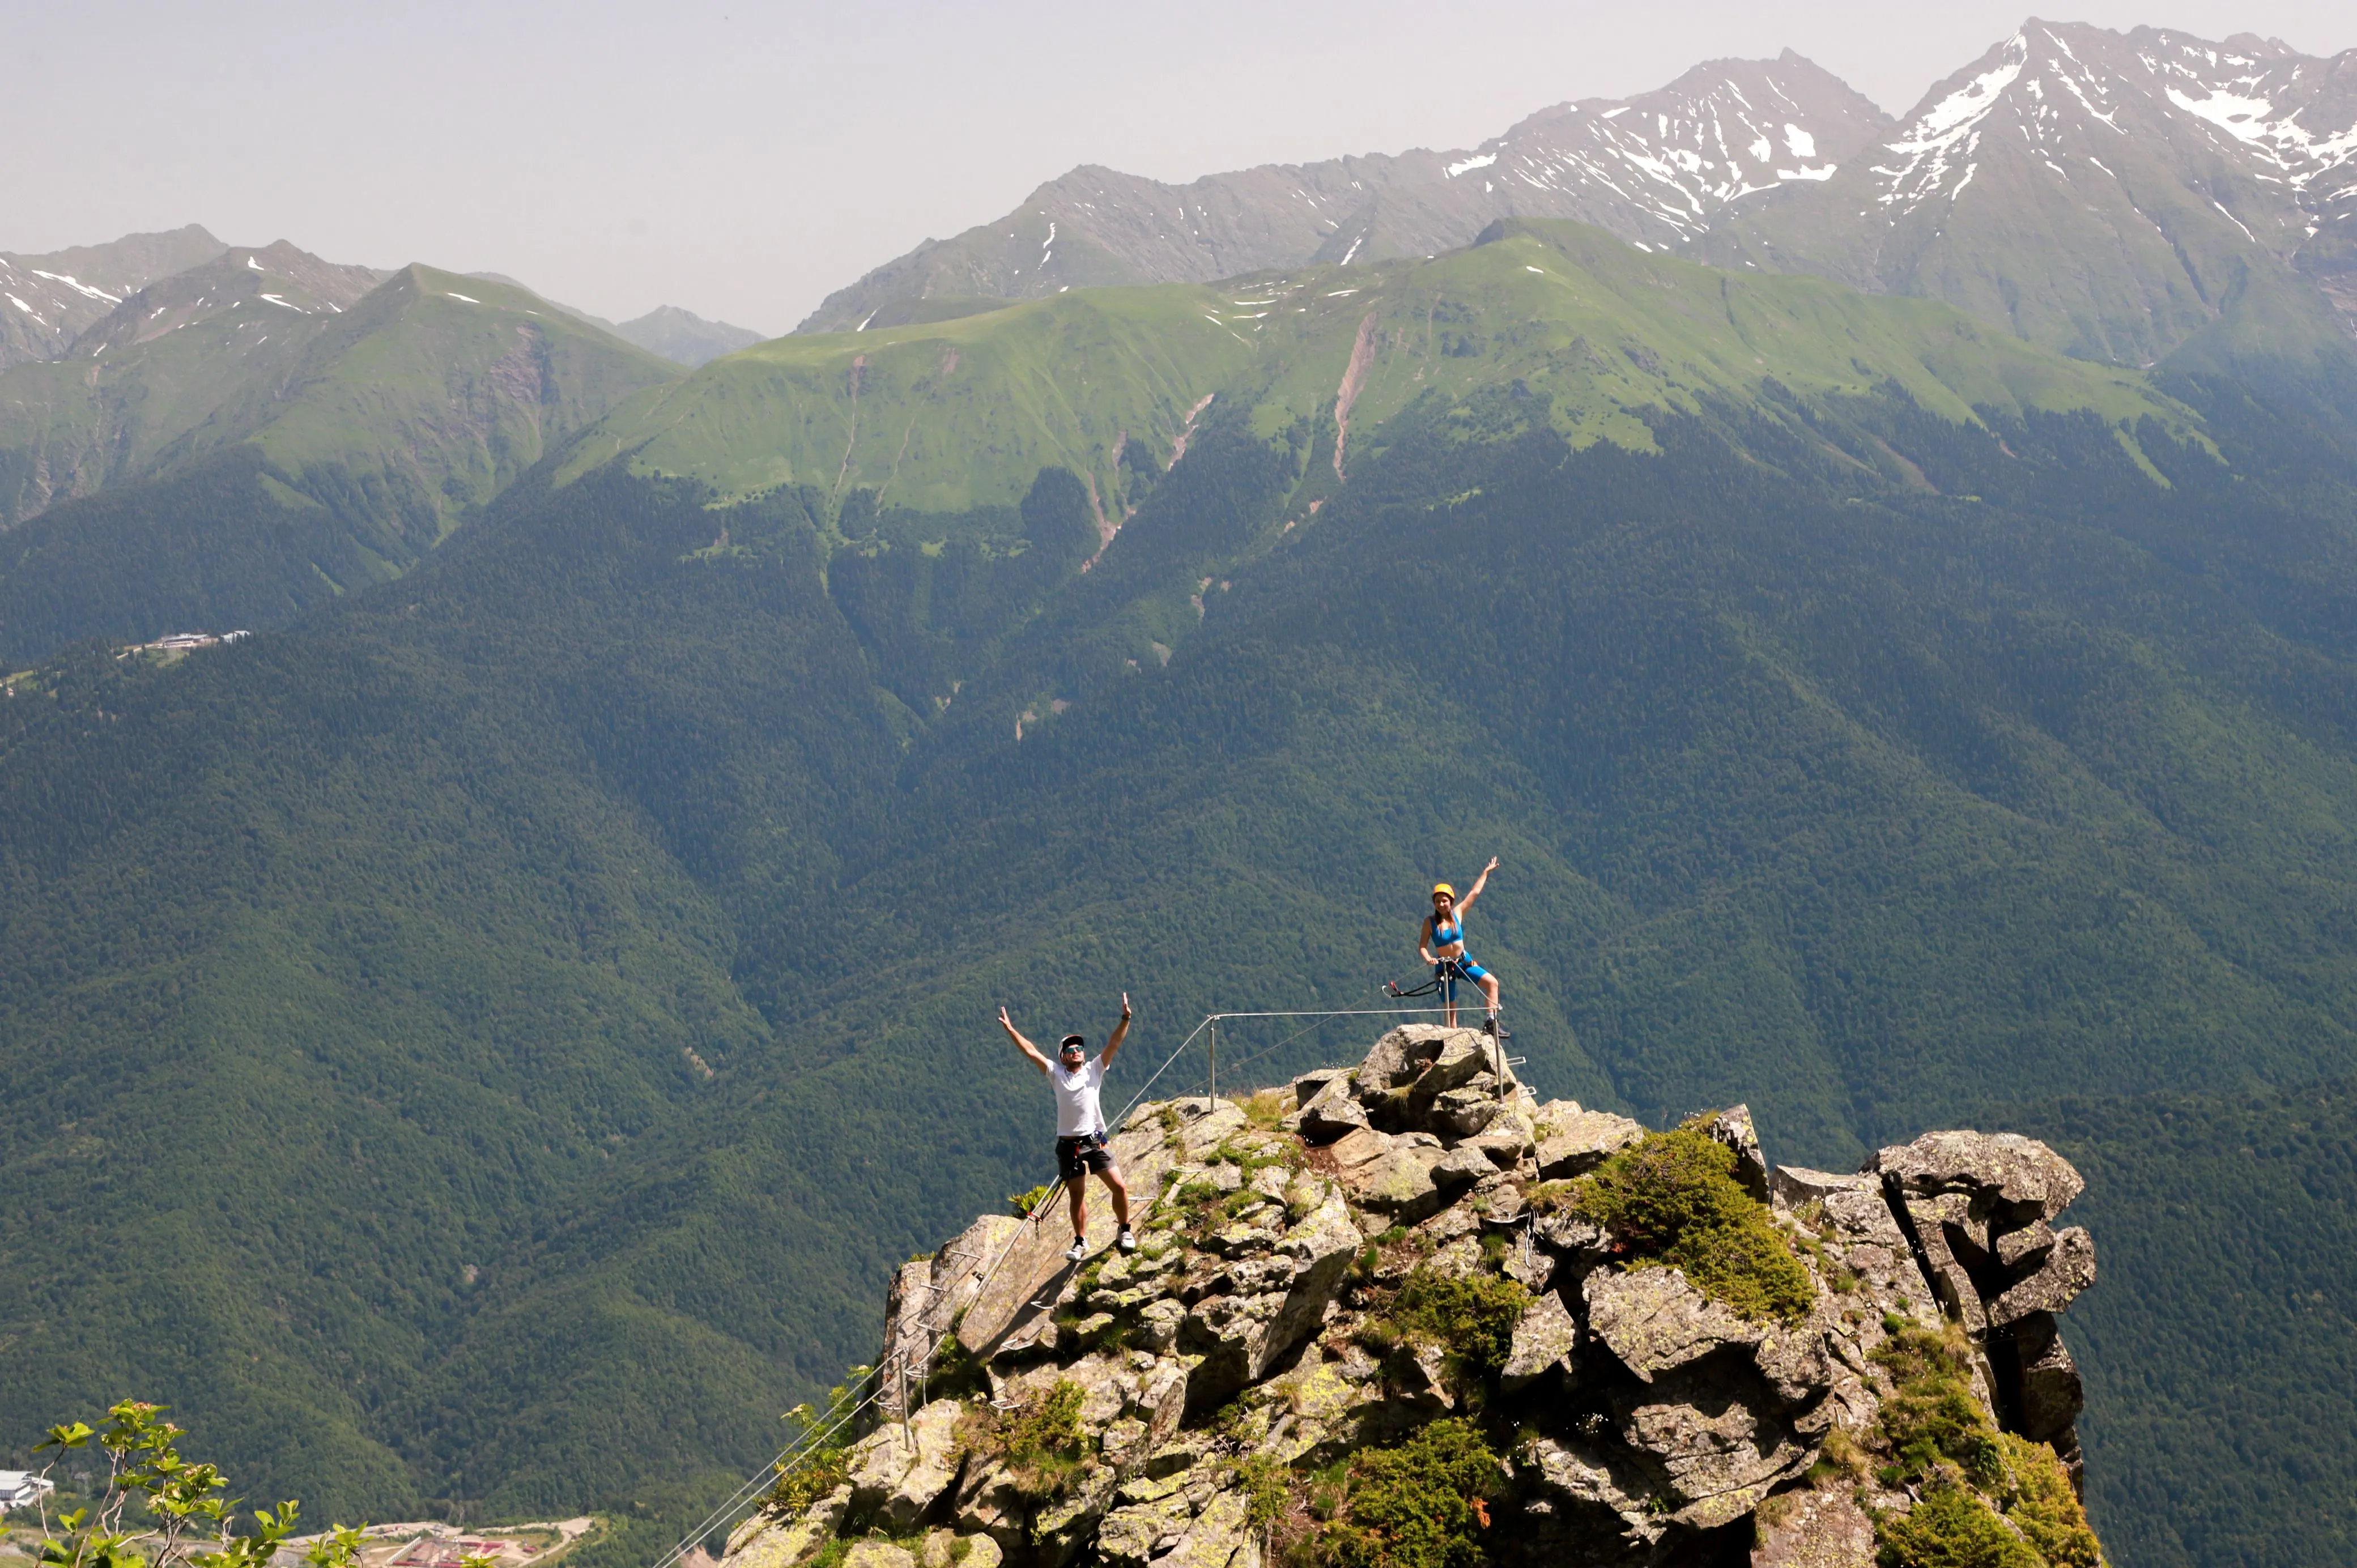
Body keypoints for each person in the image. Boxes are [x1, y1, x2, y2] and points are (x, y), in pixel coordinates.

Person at [999, 994, 1135, 1261]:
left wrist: (1126, 1018)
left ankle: (1124, 1230)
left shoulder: (1095, 1068)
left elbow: (1115, 1042)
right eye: (1071, 1050)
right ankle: (1081, 1241)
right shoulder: (1055, 1073)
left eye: (1080, 1048)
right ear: (1063, 1057)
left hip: (1094, 1140)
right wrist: (1011, 1030)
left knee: (1119, 1186)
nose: (1077, 1052)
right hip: (1069, 1145)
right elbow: (1031, 1051)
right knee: (1077, 1196)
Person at [1419, 857, 1503, 1030]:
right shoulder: (1430, 922)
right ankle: (1452, 1044)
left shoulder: (1458, 914)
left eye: (1445, 901)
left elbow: (1475, 893)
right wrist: (1428, 958)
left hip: (1464, 961)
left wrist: (1485, 873)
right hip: (1444, 968)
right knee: (1451, 1011)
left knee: (1492, 983)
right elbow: (1422, 946)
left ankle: (1491, 1022)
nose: (1441, 905)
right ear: (1434, 903)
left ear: (1451, 901)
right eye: (1438, 902)